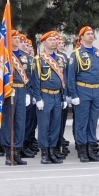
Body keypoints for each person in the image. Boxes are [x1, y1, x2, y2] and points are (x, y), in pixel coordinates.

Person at [67, 26, 99, 162]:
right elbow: (71, 77)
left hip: (96, 90)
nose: (91, 36)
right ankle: (82, 150)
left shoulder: (98, 53)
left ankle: (91, 149)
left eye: (92, 34)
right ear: (81, 37)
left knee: (93, 121)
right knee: (81, 122)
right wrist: (73, 95)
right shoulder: (76, 54)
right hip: (82, 90)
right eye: (88, 34)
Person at [30, 31, 66, 164]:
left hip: (57, 95)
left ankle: (52, 151)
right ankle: (44, 152)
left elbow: (64, 79)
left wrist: (64, 97)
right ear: (44, 42)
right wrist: (38, 98)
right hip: (45, 95)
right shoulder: (38, 59)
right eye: (51, 40)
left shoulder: (60, 59)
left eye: (55, 39)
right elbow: (36, 80)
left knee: (56, 125)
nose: (54, 42)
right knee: (44, 125)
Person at [1, 30, 31, 165]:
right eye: (14, 37)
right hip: (9, 90)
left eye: (19, 38)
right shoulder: (5, 56)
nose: (17, 39)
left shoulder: (25, 56)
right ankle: (8, 152)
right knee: (8, 122)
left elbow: (30, 76)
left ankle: (17, 151)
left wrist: (28, 93)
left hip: (22, 90)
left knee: (20, 121)